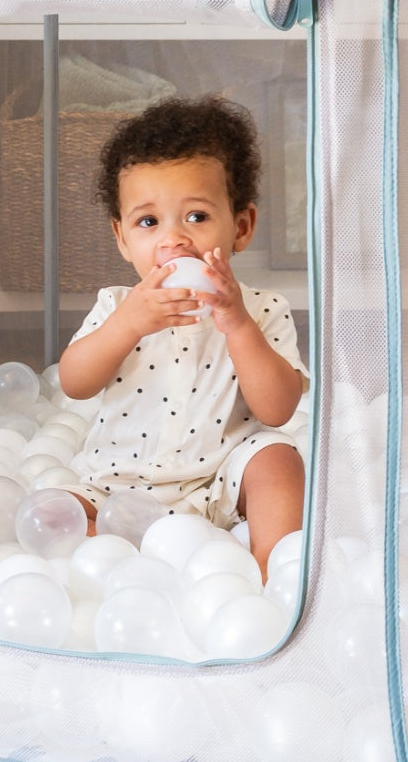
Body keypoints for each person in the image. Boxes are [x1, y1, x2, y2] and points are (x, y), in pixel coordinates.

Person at [57, 94, 307, 579]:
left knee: (278, 459)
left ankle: (270, 569)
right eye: (148, 222)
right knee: (52, 510)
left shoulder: (260, 310)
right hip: (115, 488)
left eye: (196, 217)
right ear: (122, 238)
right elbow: (74, 382)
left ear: (241, 226)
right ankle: (123, 566)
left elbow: (278, 409)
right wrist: (128, 324)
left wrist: (237, 325)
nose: (173, 239)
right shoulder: (116, 306)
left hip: (216, 483)